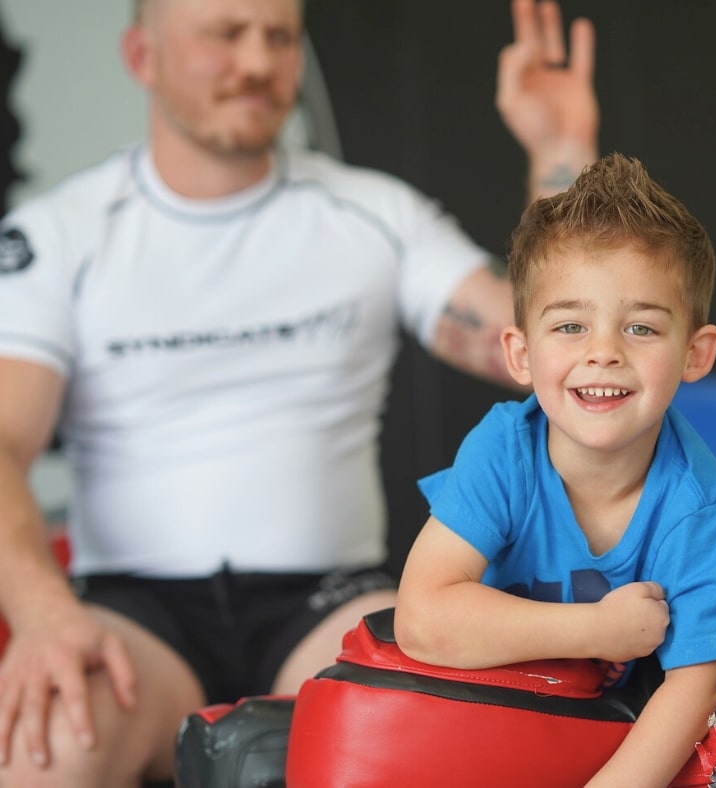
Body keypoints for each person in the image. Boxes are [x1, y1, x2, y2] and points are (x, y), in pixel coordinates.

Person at [0, 0, 599, 785]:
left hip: (325, 601)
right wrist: (43, 615)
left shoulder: (374, 214)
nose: (256, 61)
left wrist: (562, 153)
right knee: (41, 753)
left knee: (415, 742)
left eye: (279, 36)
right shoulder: (58, 235)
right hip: (133, 611)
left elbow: (543, 344)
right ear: (143, 57)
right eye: (224, 34)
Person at [395, 152, 716, 787]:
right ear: (521, 354)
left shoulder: (695, 504)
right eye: (570, 326)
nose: (604, 353)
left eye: (641, 327)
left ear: (695, 354)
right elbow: (421, 620)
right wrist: (599, 629)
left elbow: (700, 682)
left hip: (601, 749)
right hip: (477, 727)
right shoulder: (506, 448)